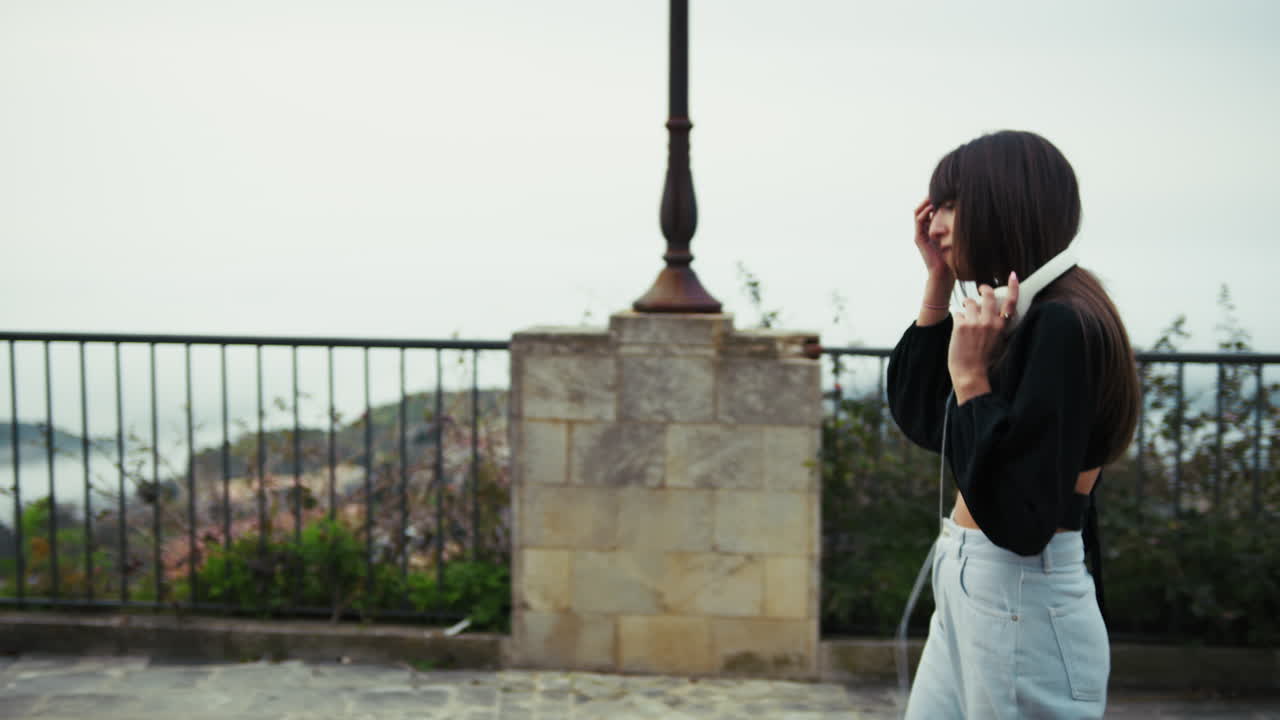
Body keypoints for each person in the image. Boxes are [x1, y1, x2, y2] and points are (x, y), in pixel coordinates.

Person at [887, 130, 1140, 719]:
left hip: (1020, 589)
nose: (936, 224)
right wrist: (937, 285)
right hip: (981, 582)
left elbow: (1025, 520)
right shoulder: (1025, 312)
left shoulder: (1064, 322)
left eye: (951, 204)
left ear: (1003, 203)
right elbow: (927, 419)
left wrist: (974, 380)